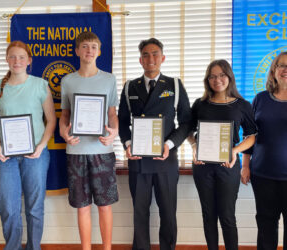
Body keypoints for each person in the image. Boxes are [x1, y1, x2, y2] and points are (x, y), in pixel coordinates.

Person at [118, 38, 192, 250]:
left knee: (168, 211)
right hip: (138, 159)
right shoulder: (130, 86)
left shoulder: (174, 85)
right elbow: (123, 121)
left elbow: (186, 122)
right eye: (146, 55)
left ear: (162, 58)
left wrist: (169, 144)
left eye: (155, 54)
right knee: (140, 212)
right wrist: (128, 144)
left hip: (166, 159)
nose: (151, 59)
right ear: (140, 60)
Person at [0, 40, 56, 250]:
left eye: (21, 57)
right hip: (5, 156)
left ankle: (34, 247)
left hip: (36, 154)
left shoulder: (40, 85)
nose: (17, 61)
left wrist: (41, 146)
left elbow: (51, 120)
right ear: (7, 59)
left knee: (35, 207)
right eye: (13, 57)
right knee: (8, 207)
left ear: (29, 60)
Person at [188, 59, 256, 250]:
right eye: (212, 76)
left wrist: (235, 151)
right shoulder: (200, 104)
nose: (217, 80)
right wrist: (194, 147)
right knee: (208, 215)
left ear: (229, 77)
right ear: (207, 80)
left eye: (221, 75)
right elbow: (188, 131)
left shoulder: (242, 105)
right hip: (202, 167)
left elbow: (252, 136)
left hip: (228, 166)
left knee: (227, 215)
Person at [59, 31, 119, 250]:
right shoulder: (68, 81)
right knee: (82, 207)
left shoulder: (109, 79)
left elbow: (112, 114)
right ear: (77, 51)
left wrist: (114, 132)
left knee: (105, 205)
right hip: (75, 151)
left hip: (102, 151)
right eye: (85, 46)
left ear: (99, 51)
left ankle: (107, 248)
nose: (89, 50)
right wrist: (64, 133)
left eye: (94, 46)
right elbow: (64, 116)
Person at [242, 52, 287, 250]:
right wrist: (245, 166)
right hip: (263, 175)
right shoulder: (260, 99)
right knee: (266, 225)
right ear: (274, 71)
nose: (285, 70)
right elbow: (250, 135)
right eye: (282, 65)